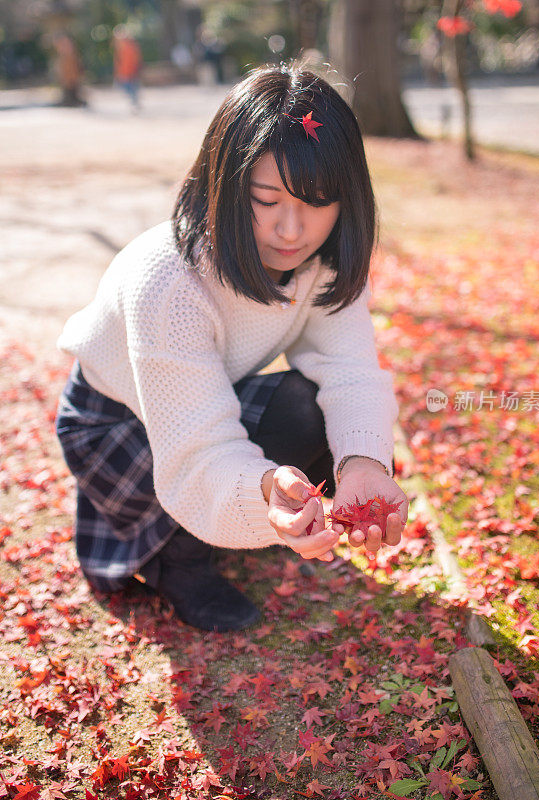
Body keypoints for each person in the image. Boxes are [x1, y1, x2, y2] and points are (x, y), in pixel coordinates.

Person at [55, 62, 409, 633]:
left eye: (317, 201)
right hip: (115, 424)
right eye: (265, 200)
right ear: (222, 184)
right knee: (231, 476)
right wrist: (265, 486)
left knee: (308, 402)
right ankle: (181, 562)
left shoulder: (329, 260)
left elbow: (349, 373)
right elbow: (198, 449)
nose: (291, 231)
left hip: (213, 392)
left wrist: (364, 465)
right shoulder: (168, 279)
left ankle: (238, 527)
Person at [113, 25, 142, 112]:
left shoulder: (129, 46)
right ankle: (134, 102)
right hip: (125, 72)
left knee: (131, 89)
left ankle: (134, 103)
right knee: (129, 88)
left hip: (129, 72)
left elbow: (134, 59)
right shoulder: (123, 47)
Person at [53, 33, 86, 107]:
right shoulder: (62, 59)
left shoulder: (73, 58)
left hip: (73, 83)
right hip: (67, 84)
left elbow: (78, 71)